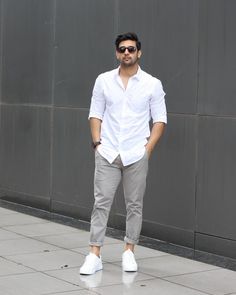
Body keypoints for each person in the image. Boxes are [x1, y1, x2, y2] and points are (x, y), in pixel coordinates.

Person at [80, 32, 167, 275]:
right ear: (117, 53)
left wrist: (146, 150)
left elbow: (160, 120)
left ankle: (129, 251)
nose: (126, 52)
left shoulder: (152, 83)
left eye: (131, 49)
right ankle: (94, 254)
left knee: (134, 205)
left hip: (136, 153)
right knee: (101, 203)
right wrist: (97, 143)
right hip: (107, 152)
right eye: (122, 49)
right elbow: (95, 113)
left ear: (139, 52)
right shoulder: (104, 80)